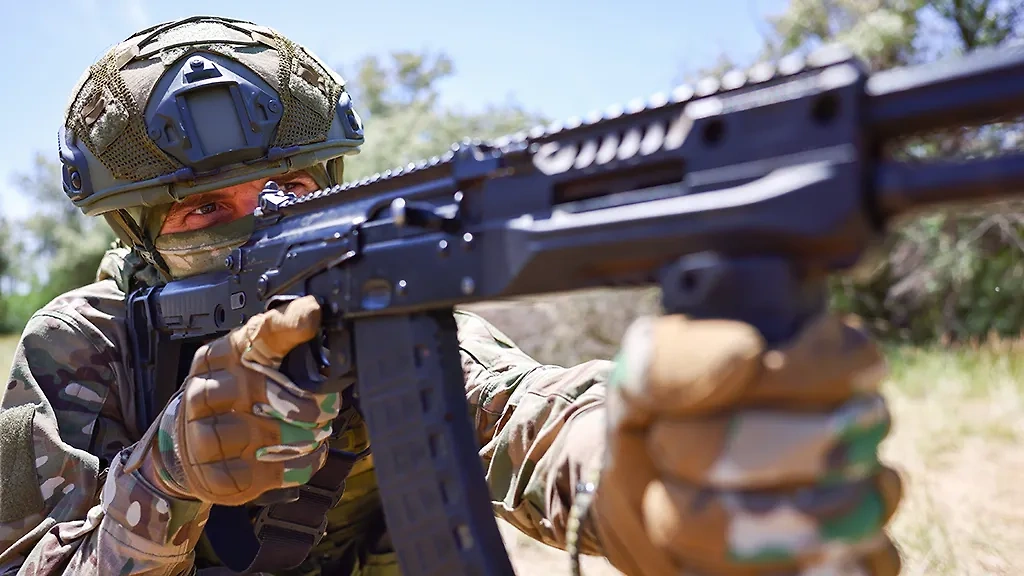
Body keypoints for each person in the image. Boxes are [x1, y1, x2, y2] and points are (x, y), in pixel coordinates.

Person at [0, 15, 902, 576]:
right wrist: (172, 476)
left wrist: (644, 474)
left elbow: (521, 410)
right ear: (141, 237)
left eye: (291, 191)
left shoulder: (357, 298)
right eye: (206, 207)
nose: (263, 222)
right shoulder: (82, 345)